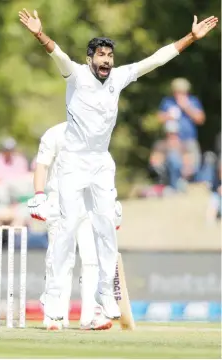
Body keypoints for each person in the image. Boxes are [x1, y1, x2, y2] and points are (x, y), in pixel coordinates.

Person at [19, 9, 218, 324]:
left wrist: (191, 39)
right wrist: (38, 33)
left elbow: (156, 59)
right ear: (89, 59)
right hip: (72, 161)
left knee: (106, 229)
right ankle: (54, 300)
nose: (106, 61)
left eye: (110, 55)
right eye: (101, 55)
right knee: (68, 229)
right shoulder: (75, 74)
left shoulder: (120, 76)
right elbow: (54, 51)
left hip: (100, 161)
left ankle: (105, 297)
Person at [28, 122, 122, 330]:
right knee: (62, 258)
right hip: (60, 200)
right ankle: (55, 314)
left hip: (89, 203)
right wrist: (38, 195)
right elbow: (42, 165)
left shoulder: (97, 135)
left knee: (91, 259)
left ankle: (90, 316)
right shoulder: (55, 133)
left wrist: (111, 207)